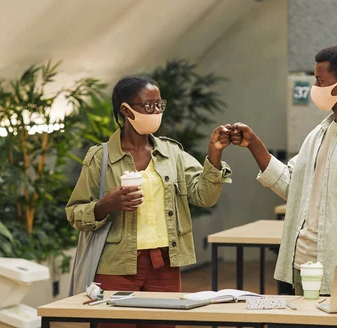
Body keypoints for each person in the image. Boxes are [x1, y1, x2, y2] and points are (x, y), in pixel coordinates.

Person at [230, 45, 337, 295]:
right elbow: (292, 185)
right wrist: (254, 144)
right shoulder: (319, 133)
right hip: (302, 265)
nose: (315, 88)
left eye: (320, 81)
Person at [66, 76, 233, 328]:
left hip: (164, 264)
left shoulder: (172, 153)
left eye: (159, 105)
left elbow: (204, 196)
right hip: (115, 265)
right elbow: (74, 213)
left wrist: (215, 154)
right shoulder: (100, 158)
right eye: (148, 105)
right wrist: (106, 204)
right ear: (125, 110)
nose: (156, 111)